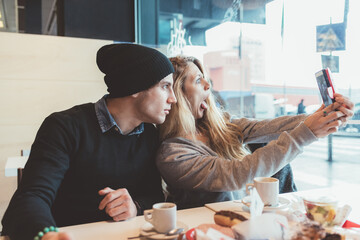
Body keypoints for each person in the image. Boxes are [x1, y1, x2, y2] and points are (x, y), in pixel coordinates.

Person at [1, 44, 177, 240]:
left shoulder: (148, 135)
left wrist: (134, 206)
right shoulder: (64, 126)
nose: (173, 98)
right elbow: (32, 197)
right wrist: (46, 235)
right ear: (135, 87)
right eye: (165, 86)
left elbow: (154, 196)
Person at [156, 56, 354, 210]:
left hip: (247, 222)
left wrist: (322, 115)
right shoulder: (173, 154)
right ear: (177, 93)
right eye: (198, 80)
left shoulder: (220, 125)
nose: (208, 86)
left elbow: (269, 127)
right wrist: (307, 131)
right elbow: (236, 174)